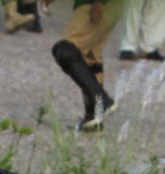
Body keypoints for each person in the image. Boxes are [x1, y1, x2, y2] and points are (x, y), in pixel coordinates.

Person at [52, 0, 123, 132]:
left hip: (93, 5)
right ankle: (94, 117)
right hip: (113, 7)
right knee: (90, 55)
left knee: (65, 51)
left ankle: (102, 100)